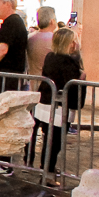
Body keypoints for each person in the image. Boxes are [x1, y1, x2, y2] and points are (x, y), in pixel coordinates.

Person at [26, 27, 83, 176]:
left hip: (45, 101)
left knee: (48, 138)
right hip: (58, 105)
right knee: (55, 141)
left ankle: (45, 167)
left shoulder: (50, 56)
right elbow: (71, 81)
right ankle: (48, 170)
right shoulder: (68, 61)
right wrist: (81, 77)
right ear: (70, 43)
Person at [26, 6, 58, 78]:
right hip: (49, 81)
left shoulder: (30, 38)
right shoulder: (55, 39)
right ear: (52, 21)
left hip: (33, 79)